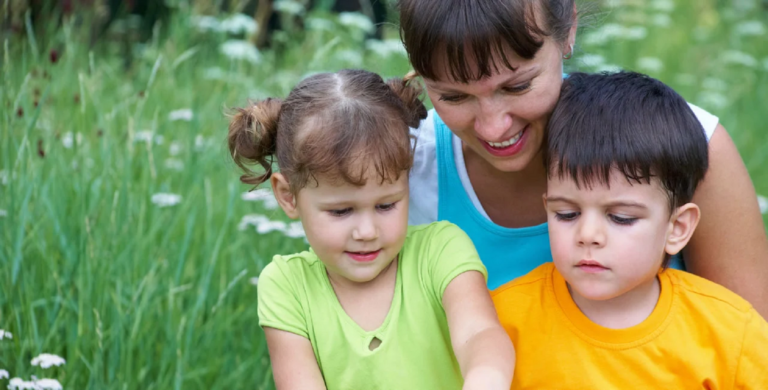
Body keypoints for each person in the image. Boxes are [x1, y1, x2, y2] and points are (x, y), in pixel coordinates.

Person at [397, 0, 768, 316]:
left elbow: (749, 346)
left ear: (568, 28)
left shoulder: (685, 143)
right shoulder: (405, 166)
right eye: (454, 97)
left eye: (518, 85)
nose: (494, 128)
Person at [227, 69, 514, 390]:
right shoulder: (287, 287)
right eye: (341, 211)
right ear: (287, 195)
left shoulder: (441, 251)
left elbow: (479, 333)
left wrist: (486, 378)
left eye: (386, 205)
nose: (366, 231)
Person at [492, 71, 768, 388]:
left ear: (677, 228)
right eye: (567, 213)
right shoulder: (504, 323)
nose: (588, 235)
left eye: (621, 217)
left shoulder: (731, 332)